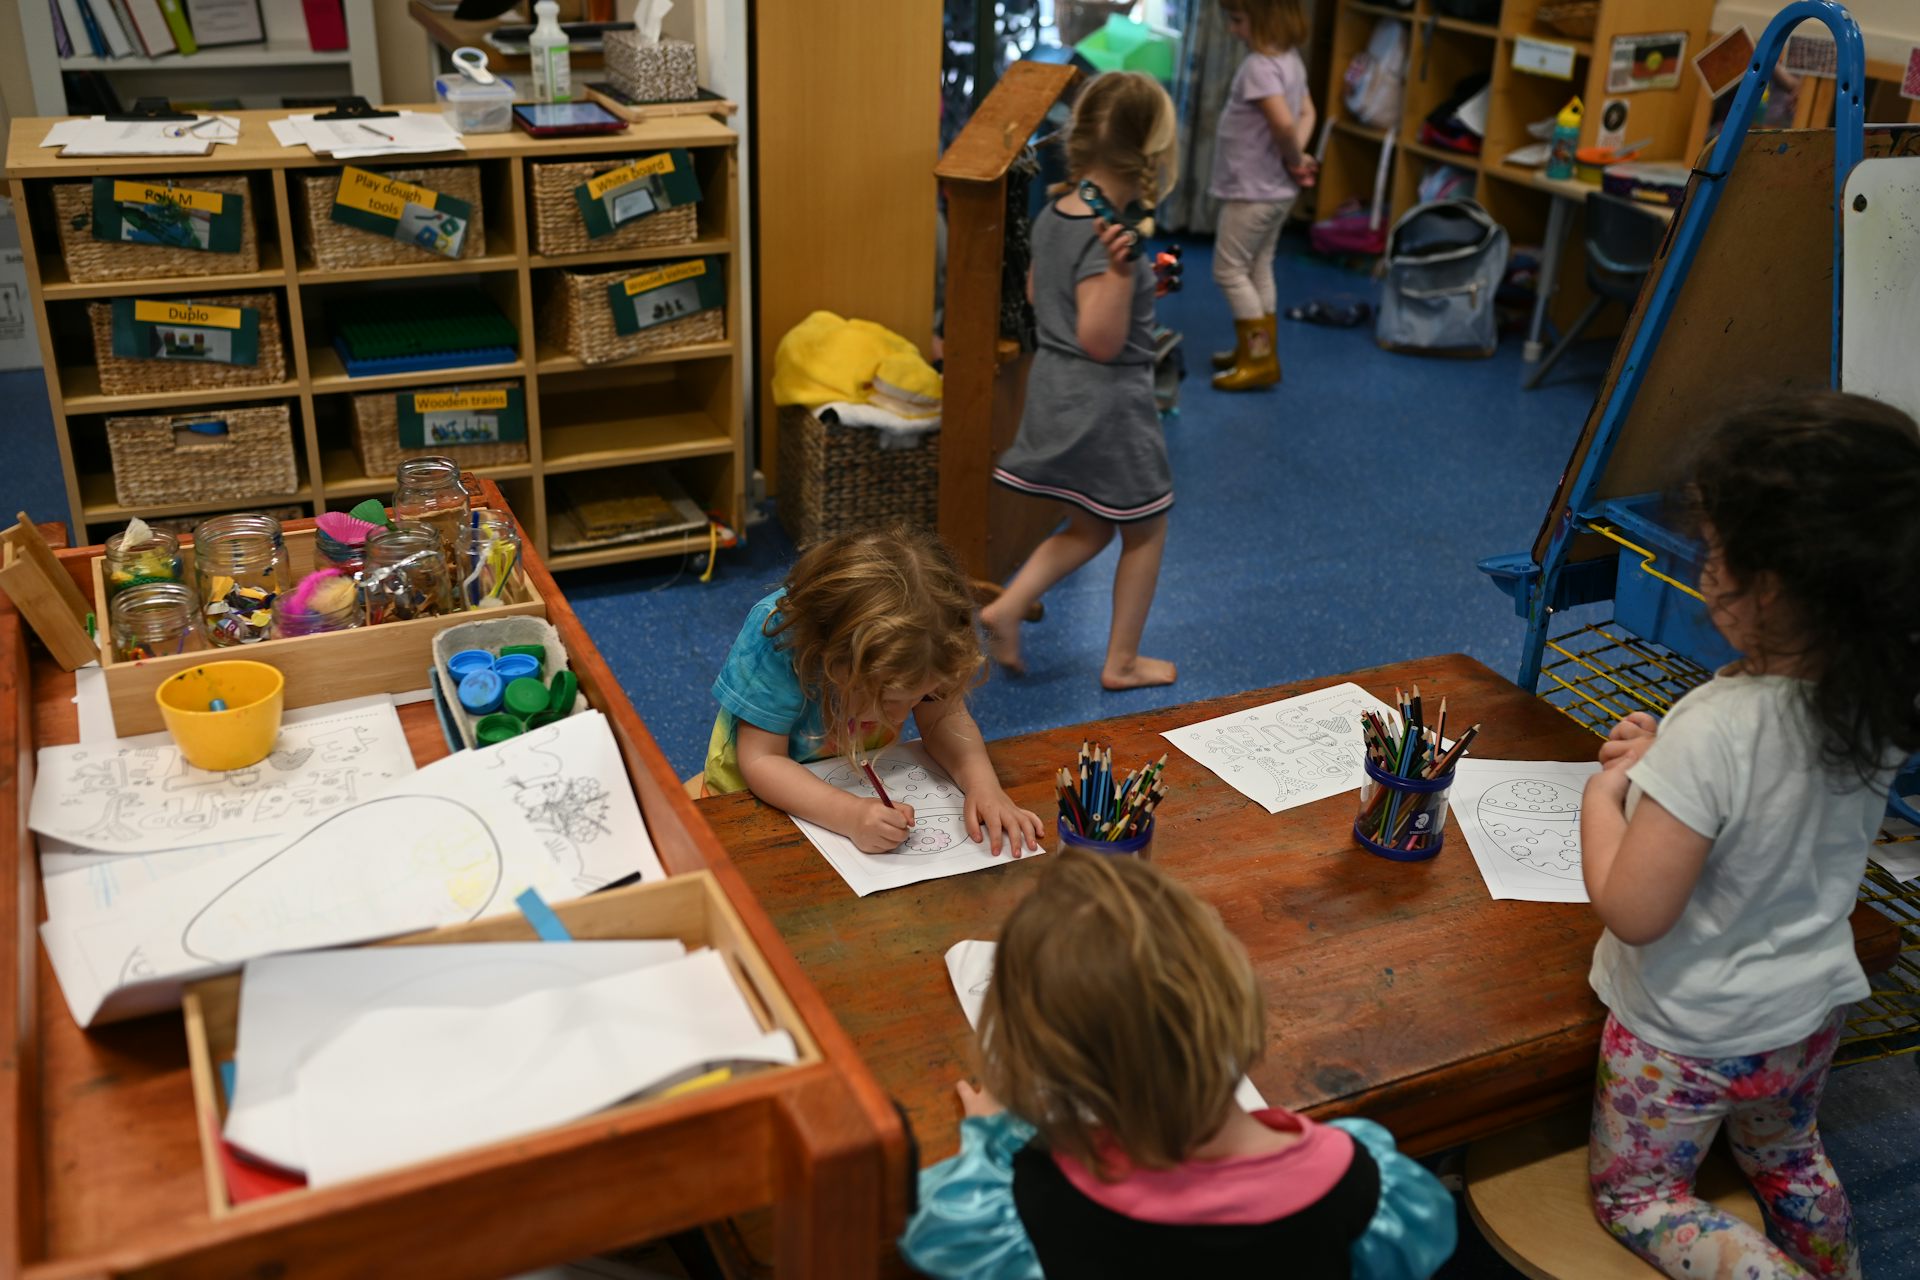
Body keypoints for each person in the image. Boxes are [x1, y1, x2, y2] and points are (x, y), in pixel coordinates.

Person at [1580, 392, 1920, 1279]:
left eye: (1717, 549)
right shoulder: (1879, 696)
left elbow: (1634, 909)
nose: (1705, 566)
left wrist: (1604, 799)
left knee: (1641, 1199)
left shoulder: (1717, 728)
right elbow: (1772, 797)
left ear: (1767, 585)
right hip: (1805, 1018)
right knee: (1790, 1158)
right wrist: (1670, 762)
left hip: (1687, 1033)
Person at [899, 850, 1457, 1278]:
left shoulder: (1027, 1204)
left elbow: (939, 1233)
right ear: (1235, 997)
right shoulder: (1361, 1186)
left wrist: (990, 1138)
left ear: (1046, 1070)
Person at [979, 72, 1180, 690]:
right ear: (1148, 151)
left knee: (1091, 526)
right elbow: (1100, 340)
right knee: (1147, 528)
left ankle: (1007, 608)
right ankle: (1122, 662)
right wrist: (1122, 278)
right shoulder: (1110, 237)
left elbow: (1038, 294)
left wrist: (1136, 284)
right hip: (1108, 405)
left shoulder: (1056, 212)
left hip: (1056, 390)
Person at [703, 524, 1043, 856]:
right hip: (748, 804)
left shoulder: (930, 642)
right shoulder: (781, 636)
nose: (901, 716)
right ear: (832, 656)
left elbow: (942, 717)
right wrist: (848, 814)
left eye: (919, 696)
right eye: (890, 700)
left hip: (851, 786)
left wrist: (984, 787)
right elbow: (763, 759)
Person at [1208, 0, 1317, 392]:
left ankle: (1258, 361)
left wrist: (1293, 158)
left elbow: (1284, 125)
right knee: (1258, 267)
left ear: (1267, 19)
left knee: (1229, 271)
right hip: (1276, 190)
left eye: (1238, 20)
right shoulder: (1291, 60)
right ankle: (1259, 353)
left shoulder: (1259, 67)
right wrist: (1297, 161)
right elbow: (1307, 114)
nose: (1233, 29)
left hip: (1252, 190)